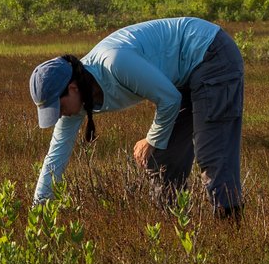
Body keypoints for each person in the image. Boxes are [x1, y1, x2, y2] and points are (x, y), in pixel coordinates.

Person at [28, 16, 245, 216]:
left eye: (58, 107)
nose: (59, 115)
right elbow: (55, 159)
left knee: (213, 153)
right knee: (161, 159)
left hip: (210, 53)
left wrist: (151, 139)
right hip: (182, 78)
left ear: (73, 88)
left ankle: (231, 230)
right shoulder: (77, 103)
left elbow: (169, 99)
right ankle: (172, 228)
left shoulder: (115, 62)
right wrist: (39, 211)